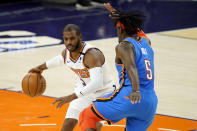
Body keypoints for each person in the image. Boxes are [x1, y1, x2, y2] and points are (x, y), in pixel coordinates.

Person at [79, 3, 158, 131]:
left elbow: (131, 67)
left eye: (117, 28)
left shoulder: (124, 46)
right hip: (150, 103)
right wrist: (121, 17)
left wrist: (136, 90)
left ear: (120, 29)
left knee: (86, 115)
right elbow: (137, 30)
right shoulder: (146, 43)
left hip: (129, 96)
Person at [28, 24, 115, 131]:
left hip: (104, 92)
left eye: (72, 38)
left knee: (92, 127)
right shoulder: (67, 53)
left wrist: (71, 97)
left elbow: (97, 83)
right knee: (67, 124)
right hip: (84, 90)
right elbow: (60, 59)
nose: (69, 42)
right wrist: (40, 68)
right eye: (66, 39)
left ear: (80, 37)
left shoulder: (91, 54)